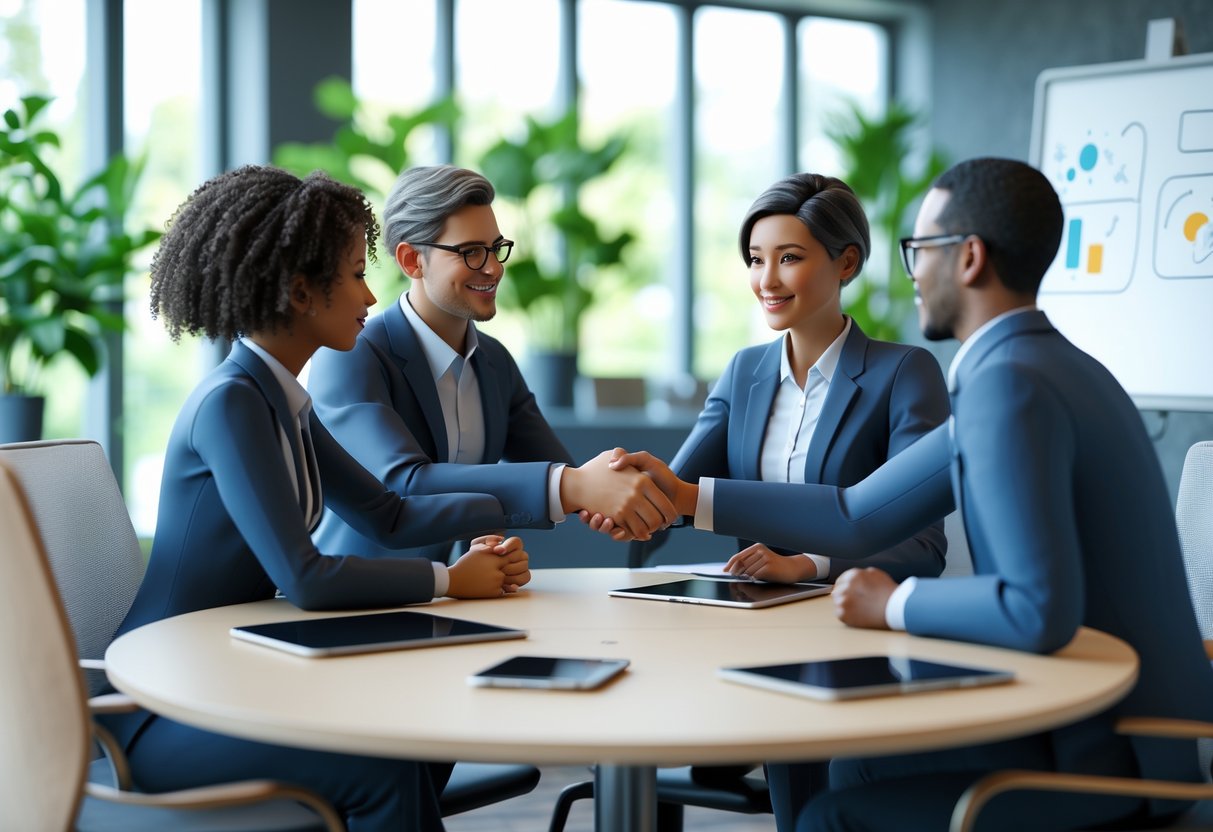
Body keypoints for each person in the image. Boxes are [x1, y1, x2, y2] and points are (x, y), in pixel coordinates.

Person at [611, 157, 1213, 831]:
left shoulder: (1007, 386)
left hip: (1104, 756)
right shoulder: (1037, 366)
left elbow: (1035, 608)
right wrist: (687, 496)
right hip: (1116, 727)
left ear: (968, 258)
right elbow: (855, 512)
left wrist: (891, 601)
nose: (911, 271)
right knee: (850, 767)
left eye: (918, 250)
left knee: (824, 818)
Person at [102, 165, 532, 832]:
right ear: (302, 291)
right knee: (385, 763)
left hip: (232, 677)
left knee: (413, 736)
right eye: (357, 273)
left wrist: (525, 511)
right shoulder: (232, 404)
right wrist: (451, 579)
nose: (370, 293)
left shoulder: (286, 402)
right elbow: (305, 578)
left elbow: (390, 515)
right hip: (161, 708)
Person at [622, 172, 951, 827]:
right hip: (741, 632)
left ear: (846, 261)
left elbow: (922, 546)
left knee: (809, 786)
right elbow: (678, 494)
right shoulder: (745, 371)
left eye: (788, 258)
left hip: (843, 637)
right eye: (754, 259)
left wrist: (805, 565)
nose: (766, 280)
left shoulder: (902, 373)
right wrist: (625, 503)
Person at [308, 164, 676, 562]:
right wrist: (575, 486)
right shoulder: (352, 355)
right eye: (470, 253)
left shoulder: (495, 361)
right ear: (413, 260)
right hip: (357, 600)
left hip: (457, 596)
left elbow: (559, 471)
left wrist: (609, 495)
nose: (493, 267)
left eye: (496, 248)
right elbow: (403, 484)